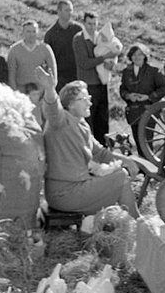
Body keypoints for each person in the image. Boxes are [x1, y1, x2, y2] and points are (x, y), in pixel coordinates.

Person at [37, 67, 140, 216]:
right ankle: (137, 223)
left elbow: (99, 152)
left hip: (78, 186)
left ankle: (131, 223)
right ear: (70, 104)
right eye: (84, 100)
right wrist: (49, 89)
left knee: (119, 174)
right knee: (121, 177)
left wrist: (128, 160)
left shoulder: (81, 123)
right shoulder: (60, 121)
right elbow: (51, 109)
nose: (90, 103)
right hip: (64, 193)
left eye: (89, 99)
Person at [118, 44, 165, 155]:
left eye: (140, 54)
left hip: (148, 110)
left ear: (145, 56)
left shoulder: (153, 71)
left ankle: (150, 166)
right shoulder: (127, 71)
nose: (137, 57)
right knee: (138, 140)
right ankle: (143, 168)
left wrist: (149, 97)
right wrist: (128, 96)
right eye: (134, 54)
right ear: (130, 56)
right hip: (133, 111)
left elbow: (164, 88)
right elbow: (122, 89)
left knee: (146, 142)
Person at [72, 10, 113, 143]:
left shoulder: (101, 37)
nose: (92, 27)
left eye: (94, 24)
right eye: (89, 24)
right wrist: (104, 58)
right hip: (88, 84)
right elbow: (84, 63)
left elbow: (112, 54)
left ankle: (103, 148)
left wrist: (110, 64)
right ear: (84, 23)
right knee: (89, 119)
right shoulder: (79, 39)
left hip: (101, 83)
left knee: (102, 119)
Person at [7, 19, 57, 91]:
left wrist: (49, 90)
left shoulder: (45, 49)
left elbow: (53, 71)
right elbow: (11, 75)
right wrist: (15, 93)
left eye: (34, 31)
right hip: (21, 89)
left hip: (40, 90)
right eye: (28, 32)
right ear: (23, 32)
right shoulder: (14, 50)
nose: (31, 34)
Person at [43, 0, 83, 89]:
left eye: (71, 10)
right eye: (66, 10)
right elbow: (46, 59)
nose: (70, 13)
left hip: (77, 76)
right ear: (59, 12)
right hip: (60, 78)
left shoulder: (78, 30)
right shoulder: (51, 34)